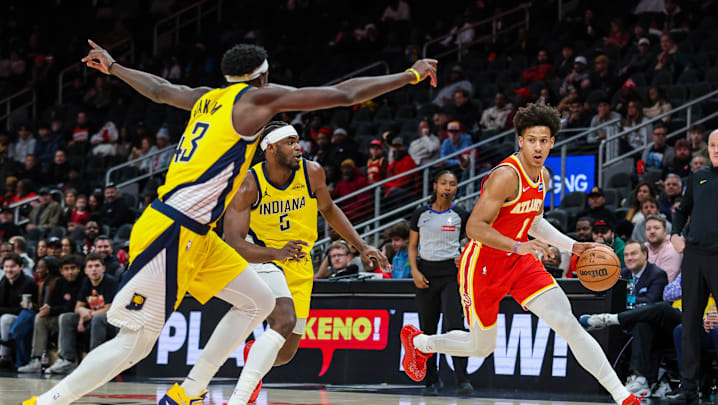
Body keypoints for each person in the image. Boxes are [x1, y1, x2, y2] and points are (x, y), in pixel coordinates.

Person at [24, 41, 434, 405]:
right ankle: (48, 402)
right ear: (263, 75)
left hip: (198, 233)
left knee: (260, 302)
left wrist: (114, 67)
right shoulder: (257, 100)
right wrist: (410, 73)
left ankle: (189, 390)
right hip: (174, 228)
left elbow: (160, 90)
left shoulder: (208, 98)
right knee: (135, 345)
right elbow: (344, 94)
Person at [400, 103, 644, 405]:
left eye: (544, 140)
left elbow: (535, 221)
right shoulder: (505, 176)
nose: (538, 147)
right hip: (483, 266)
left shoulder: (543, 175)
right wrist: (519, 244)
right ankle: (421, 342)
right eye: (532, 140)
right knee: (480, 347)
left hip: (519, 261)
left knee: (567, 322)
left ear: (552, 142)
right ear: (521, 141)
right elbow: (474, 227)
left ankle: (623, 396)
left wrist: (573, 246)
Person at [216, 122, 387, 400]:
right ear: (270, 149)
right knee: (284, 319)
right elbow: (234, 242)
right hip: (263, 260)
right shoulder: (249, 183)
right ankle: (240, 396)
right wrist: (275, 253)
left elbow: (330, 210)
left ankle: (254, 357)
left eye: (298, 141)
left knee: (285, 354)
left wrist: (362, 245)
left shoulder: (312, 172)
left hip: (299, 262)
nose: (299, 147)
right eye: (290, 142)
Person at [407, 170, 472, 395]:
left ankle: (463, 380)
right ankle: (431, 381)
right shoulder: (420, 214)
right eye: (443, 183)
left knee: (455, 327)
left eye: (452, 184)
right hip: (425, 273)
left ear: (456, 188)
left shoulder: (462, 214)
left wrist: (463, 254)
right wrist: (414, 271)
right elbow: (412, 246)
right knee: (427, 329)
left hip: (451, 275)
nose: (447, 188)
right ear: (435, 186)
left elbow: (475, 243)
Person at [671, 128, 718, 404]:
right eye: (712, 145)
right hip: (694, 257)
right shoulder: (698, 176)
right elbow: (681, 210)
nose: (716, 149)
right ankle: (689, 388)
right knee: (689, 322)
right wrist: (675, 234)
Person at [17, 254, 85, 373]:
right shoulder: (60, 283)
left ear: (79, 268)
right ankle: (37, 359)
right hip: (61, 319)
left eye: (73, 268)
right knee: (40, 318)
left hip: (79, 319)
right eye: (66, 269)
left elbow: (73, 307)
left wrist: (52, 310)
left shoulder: (84, 282)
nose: (70, 272)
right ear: (61, 271)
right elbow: (52, 304)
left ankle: (66, 360)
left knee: (65, 317)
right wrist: (46, 308)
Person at [0, 253, 37, 369]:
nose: (9, 270)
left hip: (25, 317)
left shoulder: (28, 283)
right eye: (6, 267)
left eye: (12, 267)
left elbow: (23, 310)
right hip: (10, 314)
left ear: (21, 267)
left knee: (6, 319)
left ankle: (4, 357)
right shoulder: (4, 281)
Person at [645, 214, 682, 283]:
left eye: (656, 228)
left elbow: (664, 282)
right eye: (648, 229)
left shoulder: (672, 249)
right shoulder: (644, 247)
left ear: (665, 231)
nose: (652, 231)